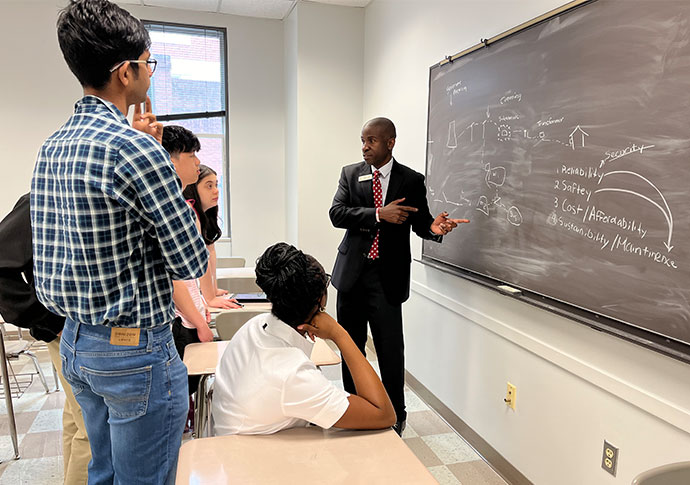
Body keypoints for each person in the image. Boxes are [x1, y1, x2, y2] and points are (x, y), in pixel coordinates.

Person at [30, 1, 209, 483]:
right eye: (148, 62)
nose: (150, 72)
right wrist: (164, 168)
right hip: (133, 351)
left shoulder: (54, 144)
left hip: (75, 341)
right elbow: (190, 258)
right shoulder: (137, 149)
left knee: (103, 473)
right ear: (125, 72)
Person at [329, 117, 469, 435]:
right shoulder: (350, 174)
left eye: (372, 141)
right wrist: (379, 214)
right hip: (351, 276)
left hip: (387, 278)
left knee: (391, 349)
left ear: (390, 142)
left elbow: (422, 223)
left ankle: (395, 415)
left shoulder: (410, 180)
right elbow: (337, 213)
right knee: (351, 346)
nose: (365, 146)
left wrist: (435, 229)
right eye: (362, 140)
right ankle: (356, 406)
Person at [212, 242, 396, 435]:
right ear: (320, 300)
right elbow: (383, 413)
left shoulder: (254, 327)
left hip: (233, 440)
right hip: (256, 455)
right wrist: (339, 334)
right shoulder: (293, 374)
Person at [0, 194, 91, 484]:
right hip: (70, 330)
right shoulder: (43, 198)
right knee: (92, 429)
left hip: (79, 330)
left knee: (77, 419)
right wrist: (50, 323)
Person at [182, 165, 239, 309]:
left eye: (216, 184)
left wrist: (213, 290)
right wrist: (210, 298)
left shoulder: (204, 215)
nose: (216, 191)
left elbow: (210, 251)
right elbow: (203, 257)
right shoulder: (190, 212)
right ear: (193, 189)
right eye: (209, 186)